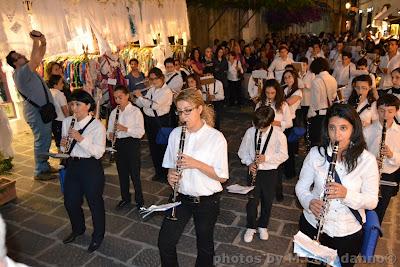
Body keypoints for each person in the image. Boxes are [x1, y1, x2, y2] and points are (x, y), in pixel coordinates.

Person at [296, 103, 379, 267]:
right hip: (314, 224)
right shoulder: (315, 154)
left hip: (347, 231)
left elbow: (371, 201)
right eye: (332, 128)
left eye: (343, 128)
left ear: (353, 130)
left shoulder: (366, 160)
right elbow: (301, 187)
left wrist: (346, 194)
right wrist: (309, 202)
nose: (337, 135)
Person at [158, 88, 229, 267]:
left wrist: (196, 163)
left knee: (204, 246)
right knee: (165, 242)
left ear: (199, 108)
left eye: (187, 111)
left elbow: (222, 177)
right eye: (180, 111)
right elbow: (170, 164)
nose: (183, 117)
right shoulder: (176, 134)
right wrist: (170, 175)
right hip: (180, 197)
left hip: (206, 200)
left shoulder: (216, 138)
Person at [6, 30, 57, 180]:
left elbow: (38, 57)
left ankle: (44, 165)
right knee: (42, 139)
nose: (22, 56)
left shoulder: (27, 70)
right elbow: (35, 59)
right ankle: (39, 171)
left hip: (42, 110)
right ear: (15, 63)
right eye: (19, 57)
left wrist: (44, 42)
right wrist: (35, 41)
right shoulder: (21, 73)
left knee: (46, 138)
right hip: (36, 112)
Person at [60, 89, 106, 253]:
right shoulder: (67, 122)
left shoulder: (97, 126)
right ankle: (78, 229)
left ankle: (98, 236)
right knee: (70, 201)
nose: (74, 108)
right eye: (72, 104)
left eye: (78, 104)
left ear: (88, 106)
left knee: (95, 203)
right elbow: (63, 146)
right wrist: (64, 144)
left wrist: (80, 139)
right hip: (73, 165)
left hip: (90, 167)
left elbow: (99, 152)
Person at [238, 106, 288, 243]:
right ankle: (250, 226)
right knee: (252, 201)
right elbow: (242, 151)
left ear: (271, 123)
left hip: (270, 172)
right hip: (253, 170)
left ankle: (263, 225)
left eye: (263, 128)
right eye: (257, 126)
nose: (259, 130)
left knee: (267, 200)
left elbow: (284, 155)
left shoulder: (279, 135)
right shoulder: (250, 132)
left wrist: (267, 158)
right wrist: (249, 163)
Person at [107, 85, 145, 210]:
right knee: (122, 173)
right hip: (119, 143)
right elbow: (109, 131)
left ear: (127, 96)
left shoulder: (135, 111)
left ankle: (139, 200)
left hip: (132, 143)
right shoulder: (114, 112)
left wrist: (125, 129)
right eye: (116, 98)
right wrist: (110, 135)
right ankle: (125, 198)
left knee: (134, 173)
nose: (118, 100)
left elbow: (140, 132)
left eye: (120, 97)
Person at [364, 94, 400, 223]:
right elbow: (361, 154)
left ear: (396, 111)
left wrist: (391, 155)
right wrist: (371, 160)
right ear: (377, 110)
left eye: (390, 111)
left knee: (381, 209)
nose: (385, 115)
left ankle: (373, 235)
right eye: (382, 111)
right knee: (365, 207)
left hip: (389, 176)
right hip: (369, 174)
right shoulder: (367, 131)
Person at [134, 67, 173, 182]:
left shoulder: (166, 91)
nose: (153, 82)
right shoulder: (152, 88)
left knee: (163, 147)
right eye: (151, 79)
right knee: (153, 147)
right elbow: (141, 104)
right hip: (150, 121)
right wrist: (138, 99)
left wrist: (140, 97)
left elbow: (154, 105)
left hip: (161, 121)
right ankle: (158, 172)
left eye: (155, 79)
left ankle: (166, 173)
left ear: (161, 78)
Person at [307, 58, 337, 146]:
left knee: (316, 141)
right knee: (327, 140)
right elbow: (334, 96)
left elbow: (314, 102)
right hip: (330, 113)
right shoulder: (333, 79)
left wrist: (309, 115)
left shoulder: (316, 81)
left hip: (318, 115)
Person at [282, 70, 303, 180]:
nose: (287, 79)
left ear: (294, 78)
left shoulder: (298, 92)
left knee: (289, 148)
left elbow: (288, 102)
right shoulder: (285, 89)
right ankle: (284, 168)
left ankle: (290, 172)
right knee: (282, 147)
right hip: (283, 121)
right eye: (285, 78)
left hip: (291, 123)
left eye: (289, 77)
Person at [48, 75, 69, 151]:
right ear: (55, 85)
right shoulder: (59, 94)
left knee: (58, 142)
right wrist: (69, 120)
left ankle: (61, 159)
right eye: (61, 83)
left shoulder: (49, 92)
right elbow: (64, 109)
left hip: (53, 120)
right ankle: (63, 160)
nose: (63, 84)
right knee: (64, 142)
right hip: (61, 121)